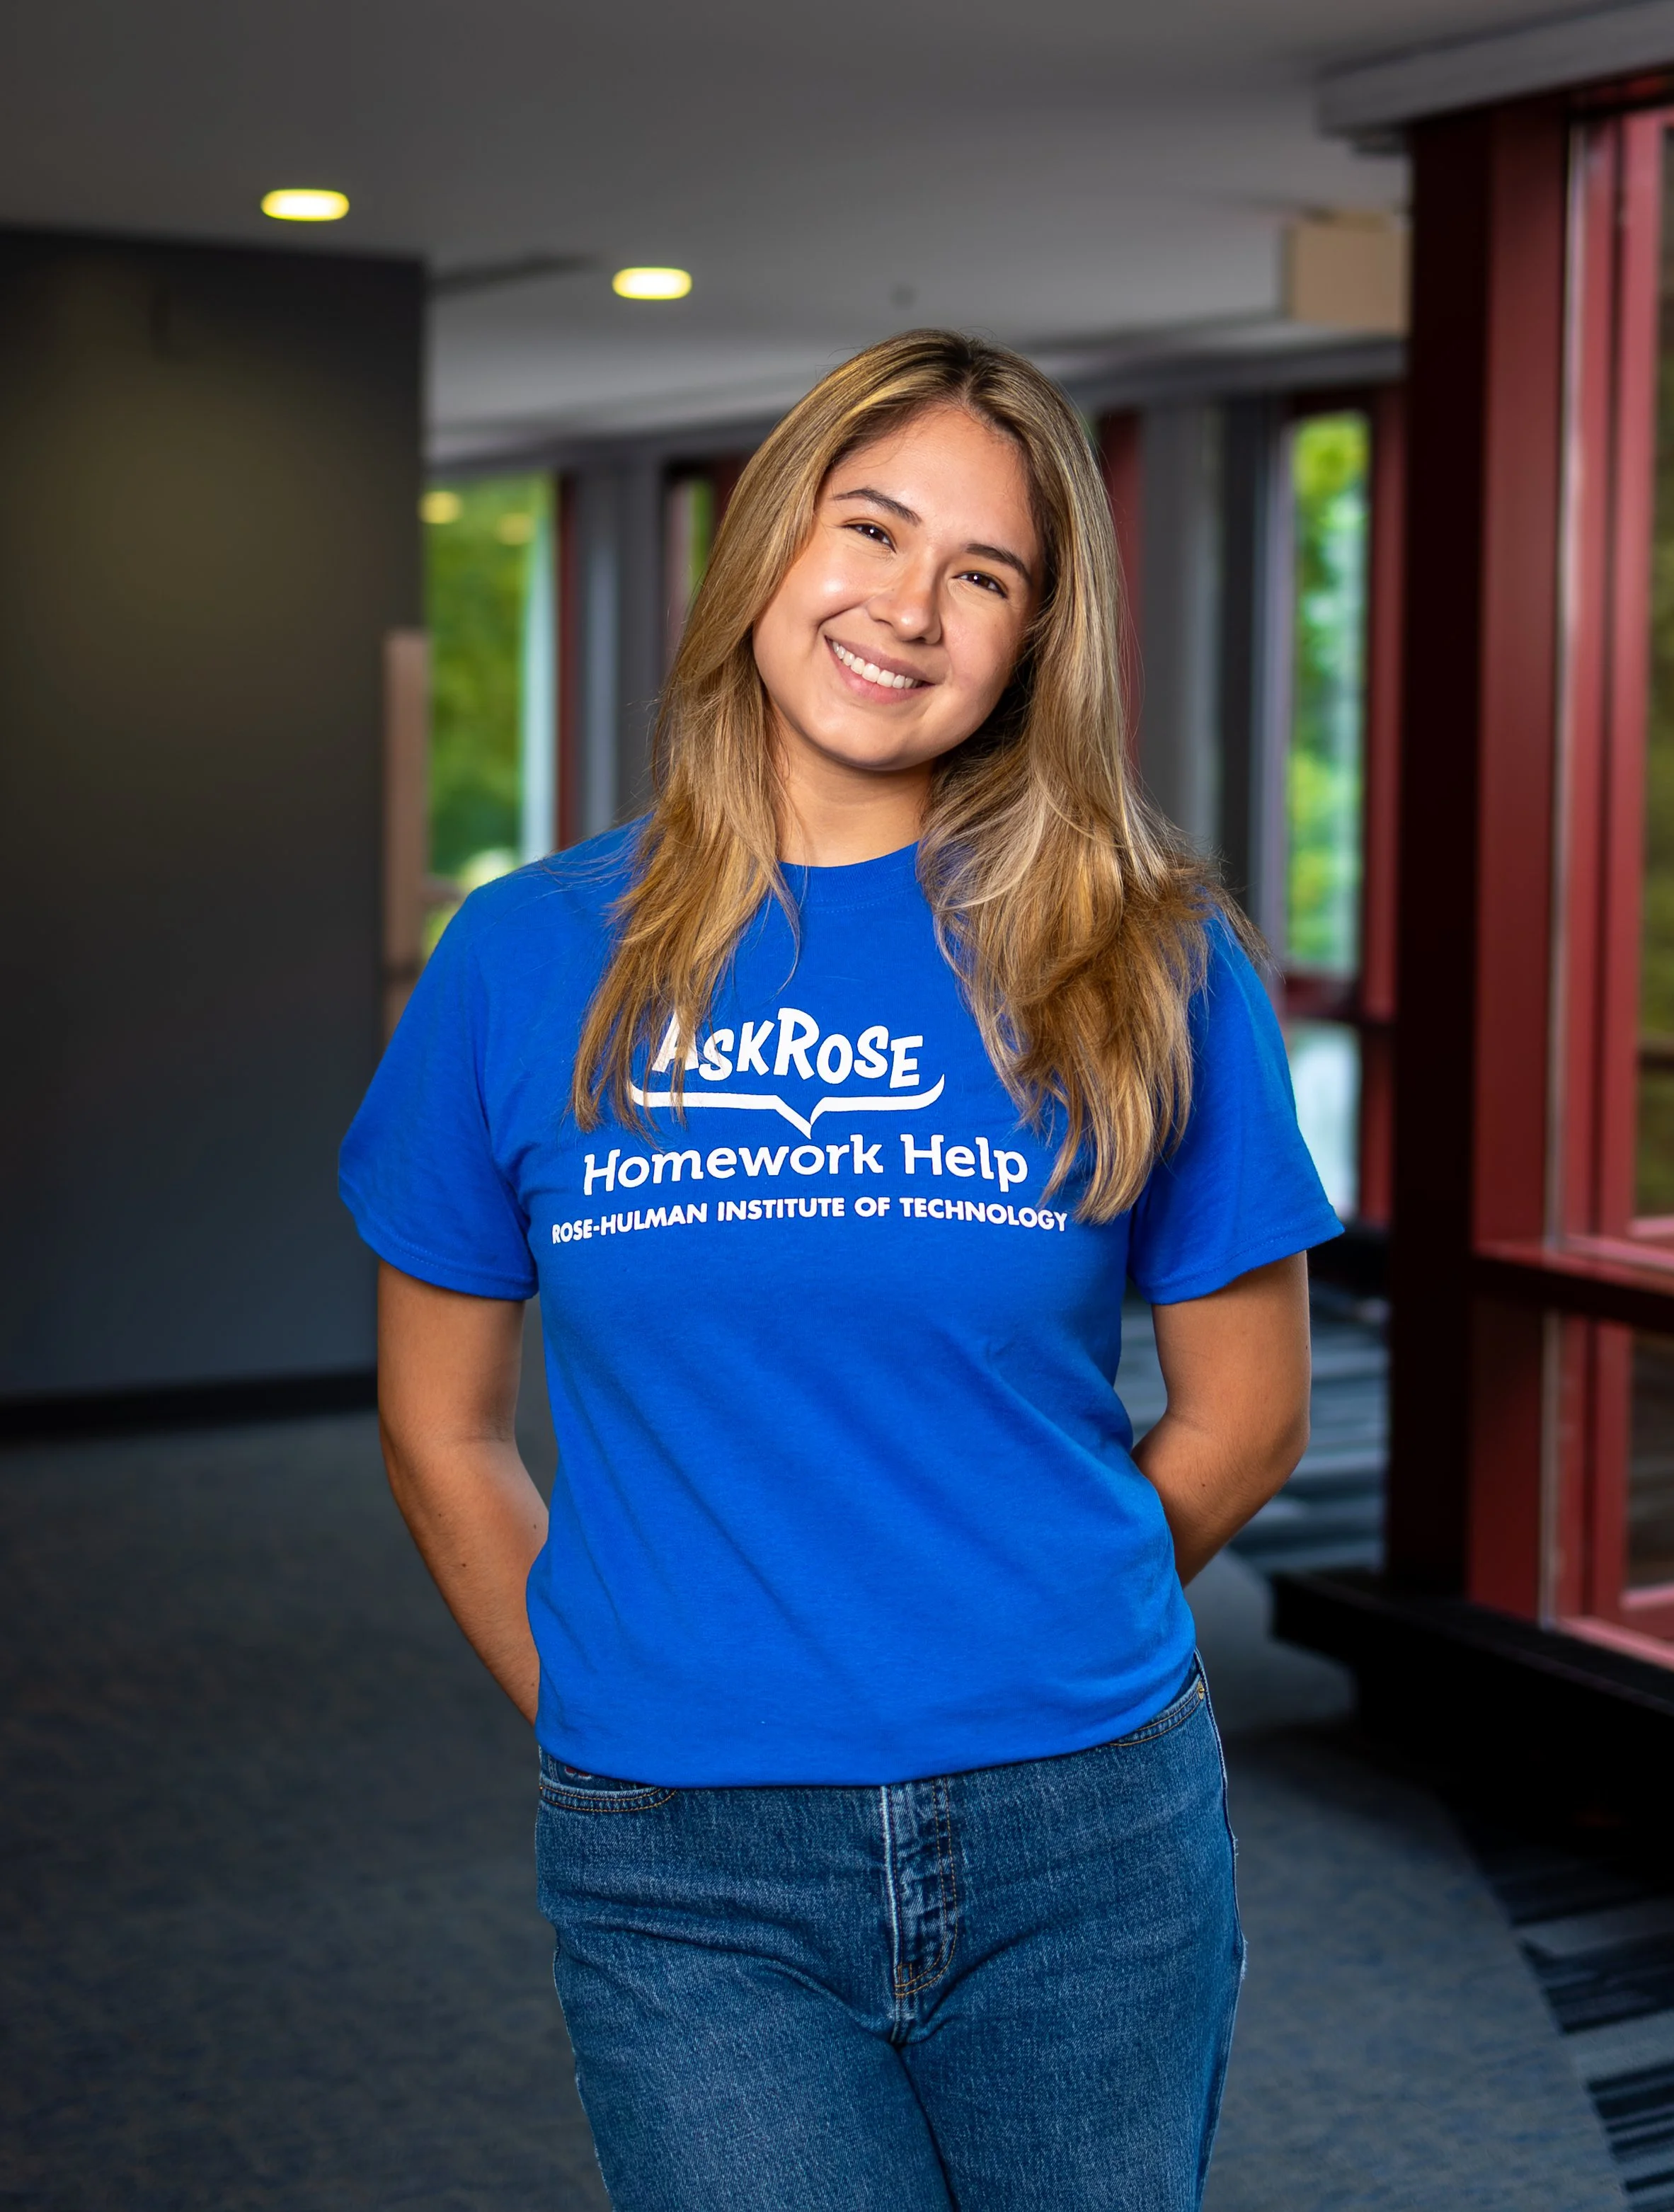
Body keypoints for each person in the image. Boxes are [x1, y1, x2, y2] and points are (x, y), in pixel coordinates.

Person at [340, 329, 1338, 2212]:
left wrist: (1030, 1613)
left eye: (987, 574)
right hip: (682, 1857)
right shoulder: (525, 955)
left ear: (1040, 638)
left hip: (1088, 1830)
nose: (910, 607)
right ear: (768, 544)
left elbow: (1250, 1409)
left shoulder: (1146, 949)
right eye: (868, 529)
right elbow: (438, 1417)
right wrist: (597, 1694)